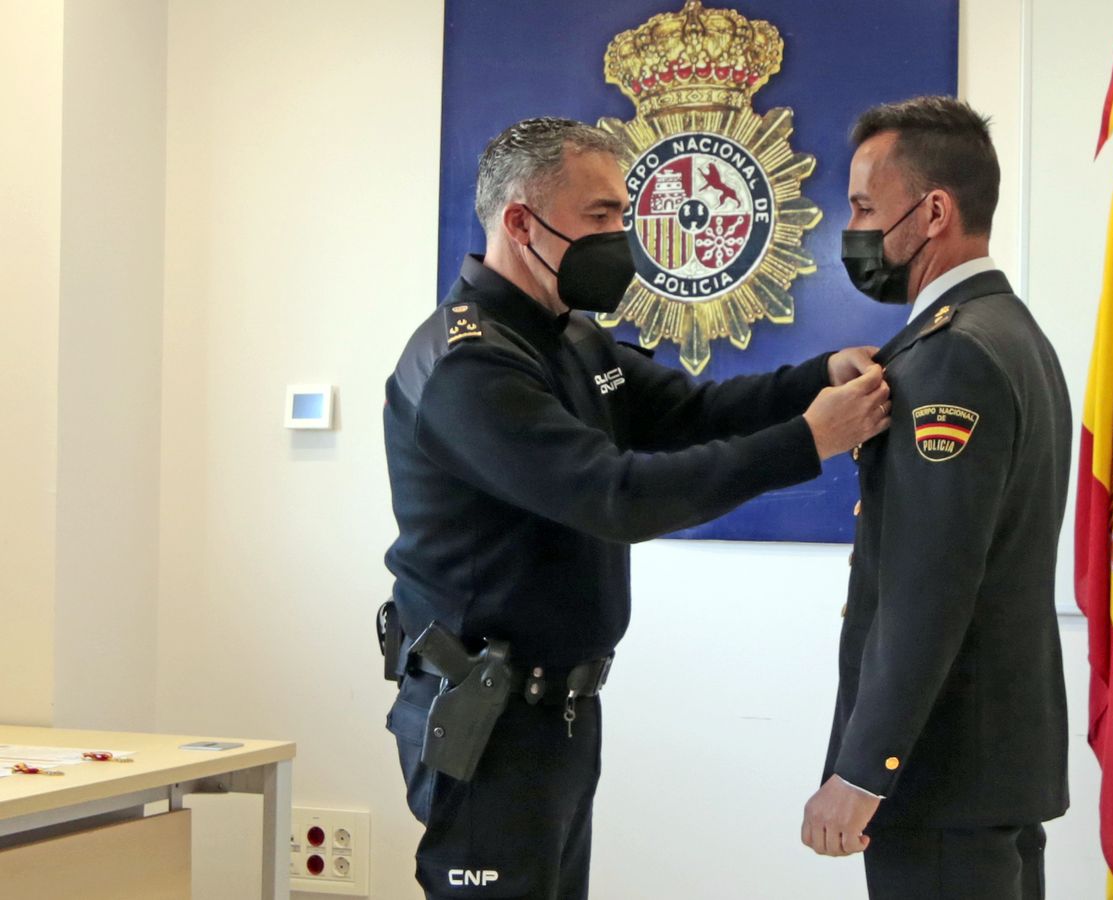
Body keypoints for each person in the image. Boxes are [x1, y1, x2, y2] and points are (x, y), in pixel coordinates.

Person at [381, 117, 890, 900]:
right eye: (600, 217)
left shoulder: (569, 337)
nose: (621, 235)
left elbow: (696, 410)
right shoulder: (470, 366)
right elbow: (615, 497)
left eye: (623, 215)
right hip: (489, 720)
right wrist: (807, 442)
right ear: (521, 222)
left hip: (558, 711)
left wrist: (817, 375)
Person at [800, 96, 1074, 899]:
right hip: (987, 772)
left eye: (861, 207)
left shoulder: (952, 358)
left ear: (933, 212)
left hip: (942, 777)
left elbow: (929, 586)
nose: (849, 227)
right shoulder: (1010, 334)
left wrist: (864, 769)